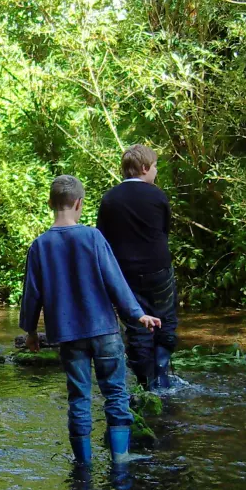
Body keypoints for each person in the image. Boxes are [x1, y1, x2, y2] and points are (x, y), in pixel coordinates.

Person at [20, 175, 161, 464]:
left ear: (50, 203)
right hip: (104, 332)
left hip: (69, 337)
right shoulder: (93, 237)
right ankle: (120, 458)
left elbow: (31, 294)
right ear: (79, 203)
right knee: (115, 394)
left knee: (79, 398)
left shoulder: (39, 246)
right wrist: (138, 314)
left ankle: (83, 463)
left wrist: (31, 332)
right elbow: (115, 281)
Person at [96, 145, 178, 390]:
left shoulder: (110, 198)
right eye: (154, 167)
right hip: (159, 269)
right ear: (144, 168)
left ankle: (146, 383)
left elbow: (102, 238)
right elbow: (165, 231)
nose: (155, 172)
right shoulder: (158, 196)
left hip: (124, 274)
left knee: (137, 325)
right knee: (166, 318)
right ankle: (162, 373)